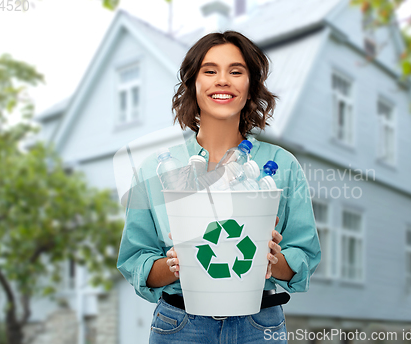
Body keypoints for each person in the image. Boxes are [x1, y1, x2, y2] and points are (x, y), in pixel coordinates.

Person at [117, 30, 321, 343]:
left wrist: (271, 260)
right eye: (209, 71)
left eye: (236, 71)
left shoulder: (282, 165)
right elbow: (135, 259)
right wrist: (174, 264)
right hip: (180, 325)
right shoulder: (156, 170)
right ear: (193, 84)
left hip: (258, 325)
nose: (222, 80)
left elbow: (304, 257)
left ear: (250, 85)